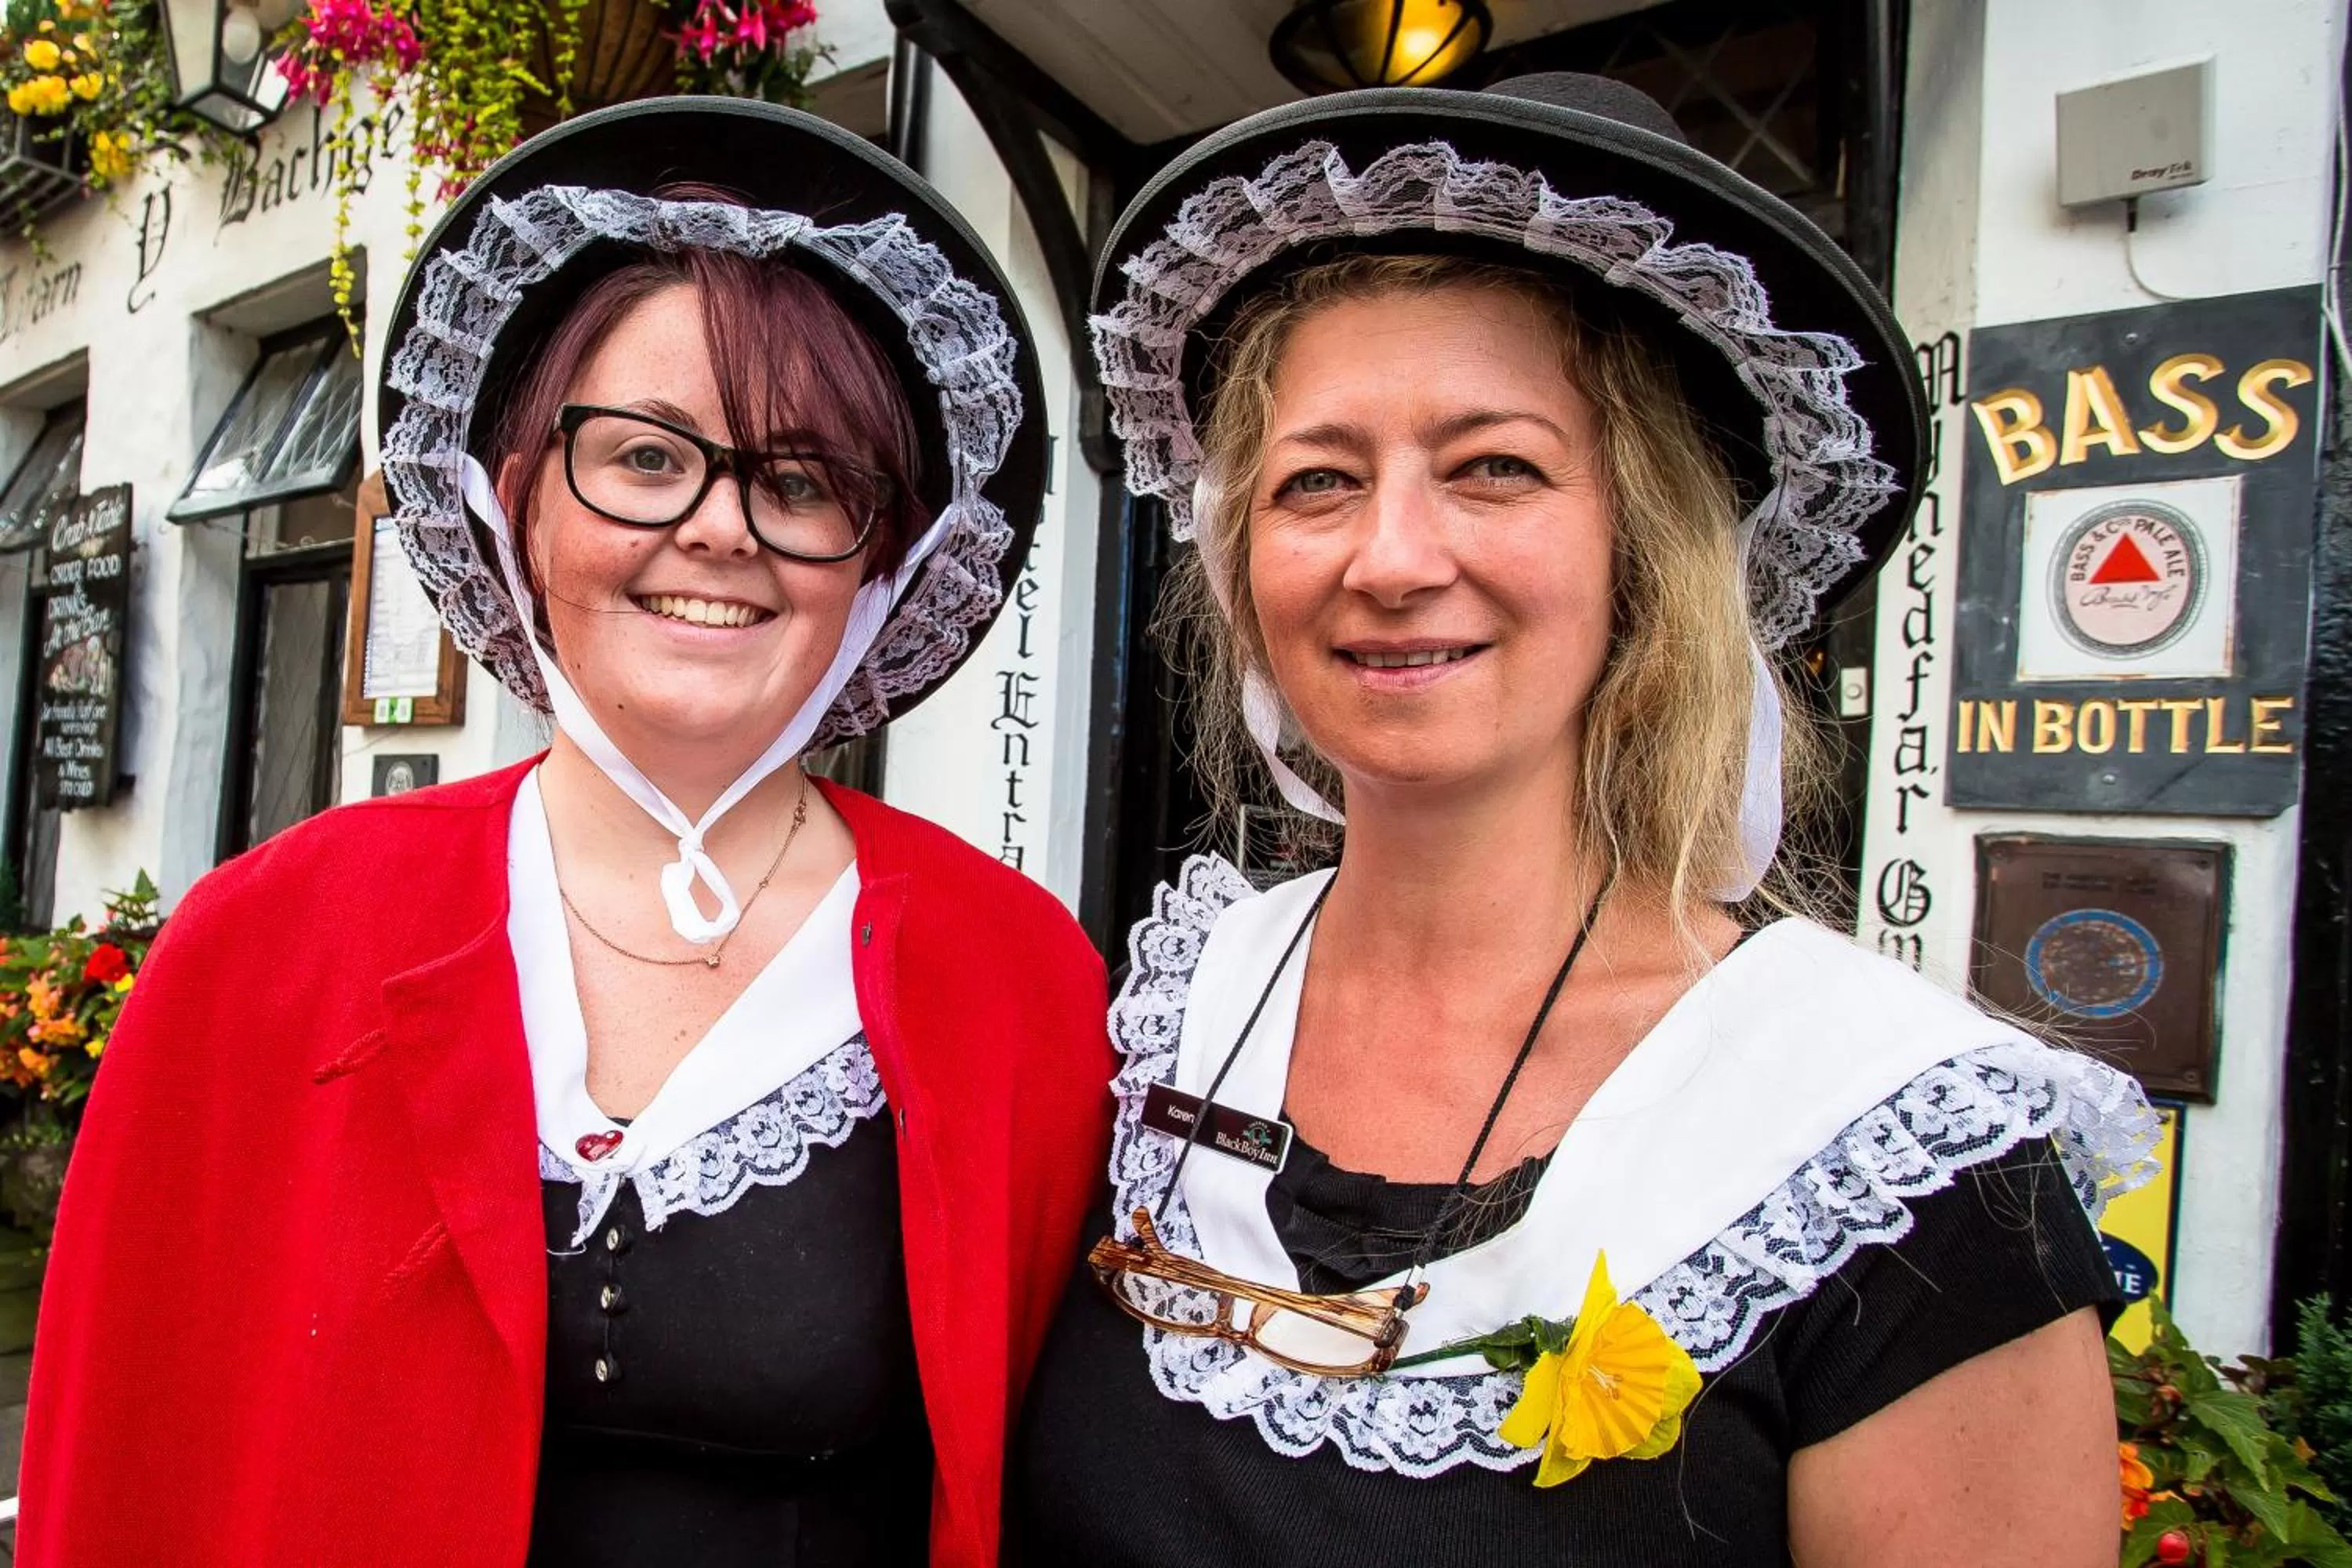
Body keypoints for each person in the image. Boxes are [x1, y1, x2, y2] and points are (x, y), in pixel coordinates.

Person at [1012, 74, 2154, 1566]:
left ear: (1649, 550)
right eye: (1318, 482)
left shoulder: (1892, 1153)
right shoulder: (1175, 1007)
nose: (1393, 556)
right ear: (1245, 565)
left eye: (1496, 468)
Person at [21, 99, 1107, 1568]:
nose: (722, 526)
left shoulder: (1015, 977)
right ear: (517, 504)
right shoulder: (263, 944)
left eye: (801, 483)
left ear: (883, 568)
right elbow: (123, 1466)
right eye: (648, 457)